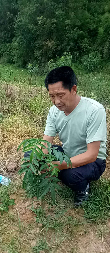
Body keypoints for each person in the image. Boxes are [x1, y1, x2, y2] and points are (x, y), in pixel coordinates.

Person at [27, 66, 107, 205]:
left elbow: (92, 154)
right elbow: (46, 142)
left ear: (73, 89)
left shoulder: (94, 110)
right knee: (30, 155)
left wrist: (56, 166)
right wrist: (38, 160)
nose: (56, 101)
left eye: (60, 95)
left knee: (69, 175)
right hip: (68, 154)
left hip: (94, 162)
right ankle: (62, 170)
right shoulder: (54, 111)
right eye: (52, 96)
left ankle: (83, 188)